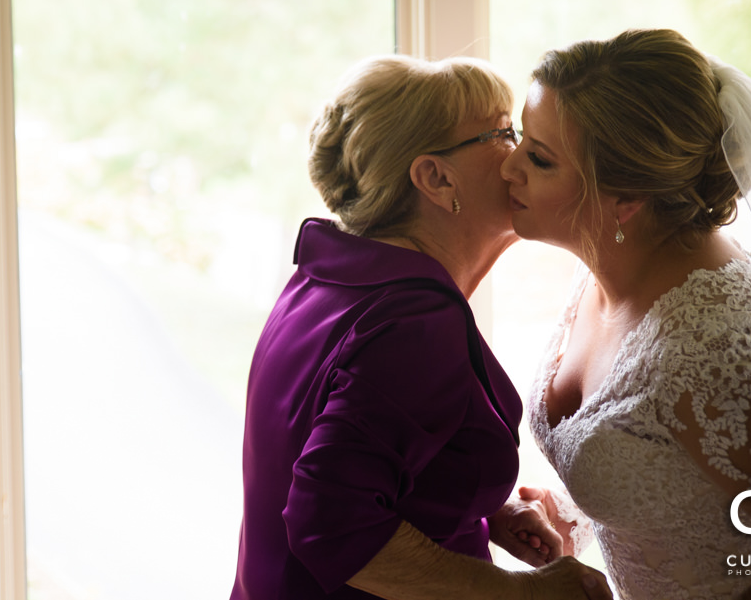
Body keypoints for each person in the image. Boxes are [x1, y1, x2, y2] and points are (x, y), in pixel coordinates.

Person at [230, 54, 611, 600]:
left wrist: (481, 511)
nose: (523, 153)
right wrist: (524, 593)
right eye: (504, 133)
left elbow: (359, 453)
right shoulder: (414, 321)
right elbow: (329, 521)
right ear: (435, 177)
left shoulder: (326, 279)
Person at [500, 28, 751, 599]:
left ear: (625, 199)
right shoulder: (608, 265)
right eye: (518, 139)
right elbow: (683, 474)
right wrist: (569, 514)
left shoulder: (738, 349)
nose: (508, 168)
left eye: (537, 158)